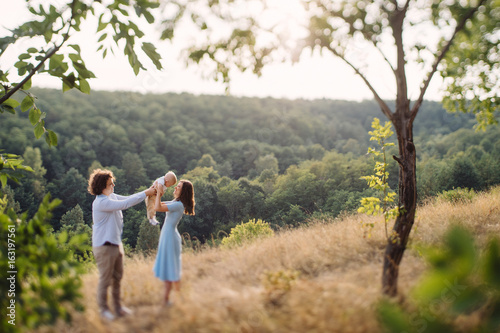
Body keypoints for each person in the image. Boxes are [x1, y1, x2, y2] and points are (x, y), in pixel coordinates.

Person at [88, 168, 156, 321]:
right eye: (110, 184)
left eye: (113, 183)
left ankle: (118, 308)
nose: (113, 186)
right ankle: (103, 310)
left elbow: (129, 198)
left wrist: (148, 192)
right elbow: (126, 203)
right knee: (105, 279)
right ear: (101, 187)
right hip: (104, 246)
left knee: (118, 277)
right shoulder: (101, 202)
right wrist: (147, 192)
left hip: (115, 244)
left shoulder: (111, 196)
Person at [153, 179, 195, 307]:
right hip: (168, 236)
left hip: (170, 237)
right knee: (171, 268)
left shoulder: (178, 204)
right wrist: (157, 189)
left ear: (183, 191)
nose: (175, 188)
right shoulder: (176, 202)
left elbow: (158, 207)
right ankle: (179, 298)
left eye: (179, 186)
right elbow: (161, 203)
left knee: (171, 269)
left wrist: (159, 194)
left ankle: (170, 299)